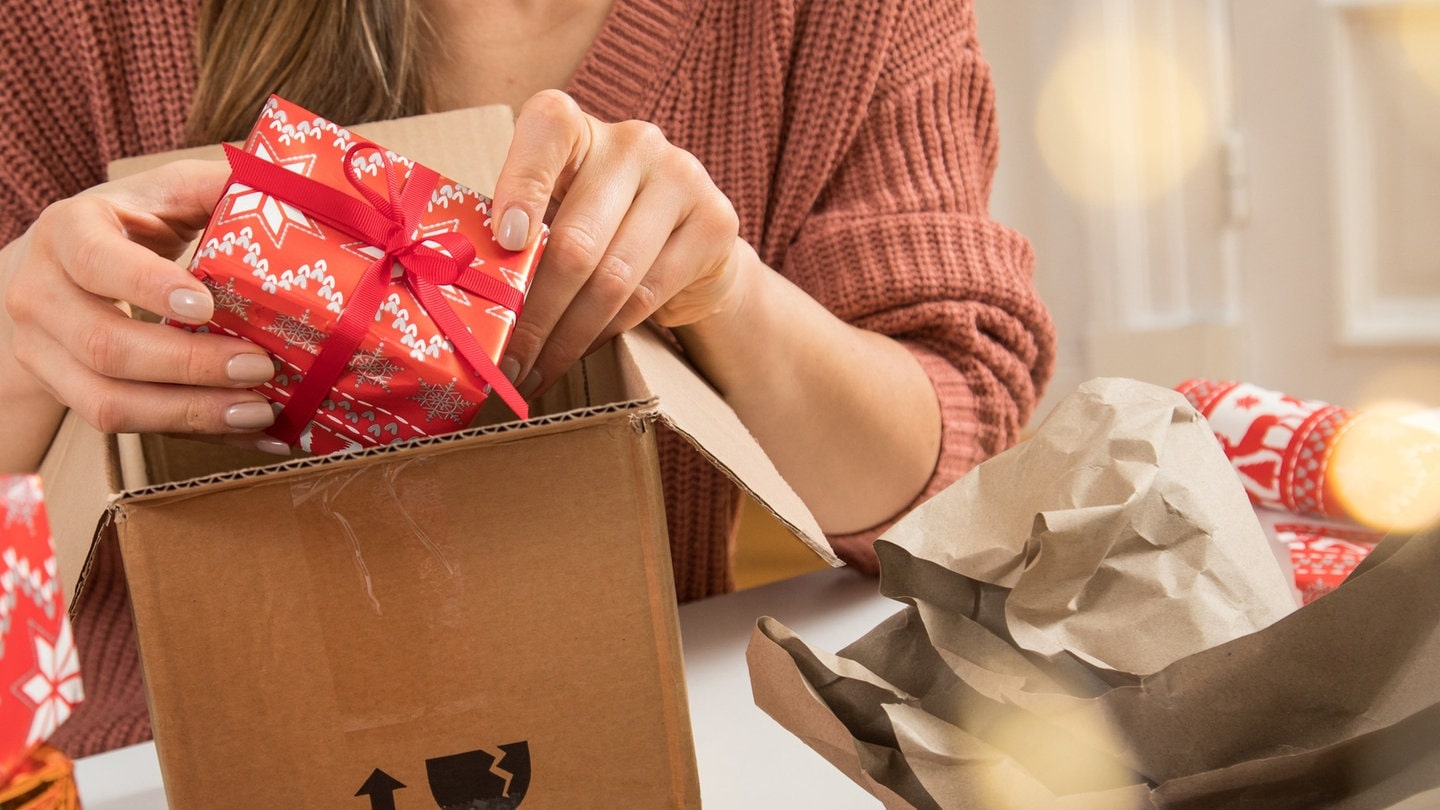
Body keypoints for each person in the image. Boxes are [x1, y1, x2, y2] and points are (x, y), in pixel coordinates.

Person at [1, 0, 1055, 756]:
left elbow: (952, 484)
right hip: (161, 763)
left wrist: (728, 292)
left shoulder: (840, 23)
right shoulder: (66, 27)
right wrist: (18, 350)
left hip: (615, 741)